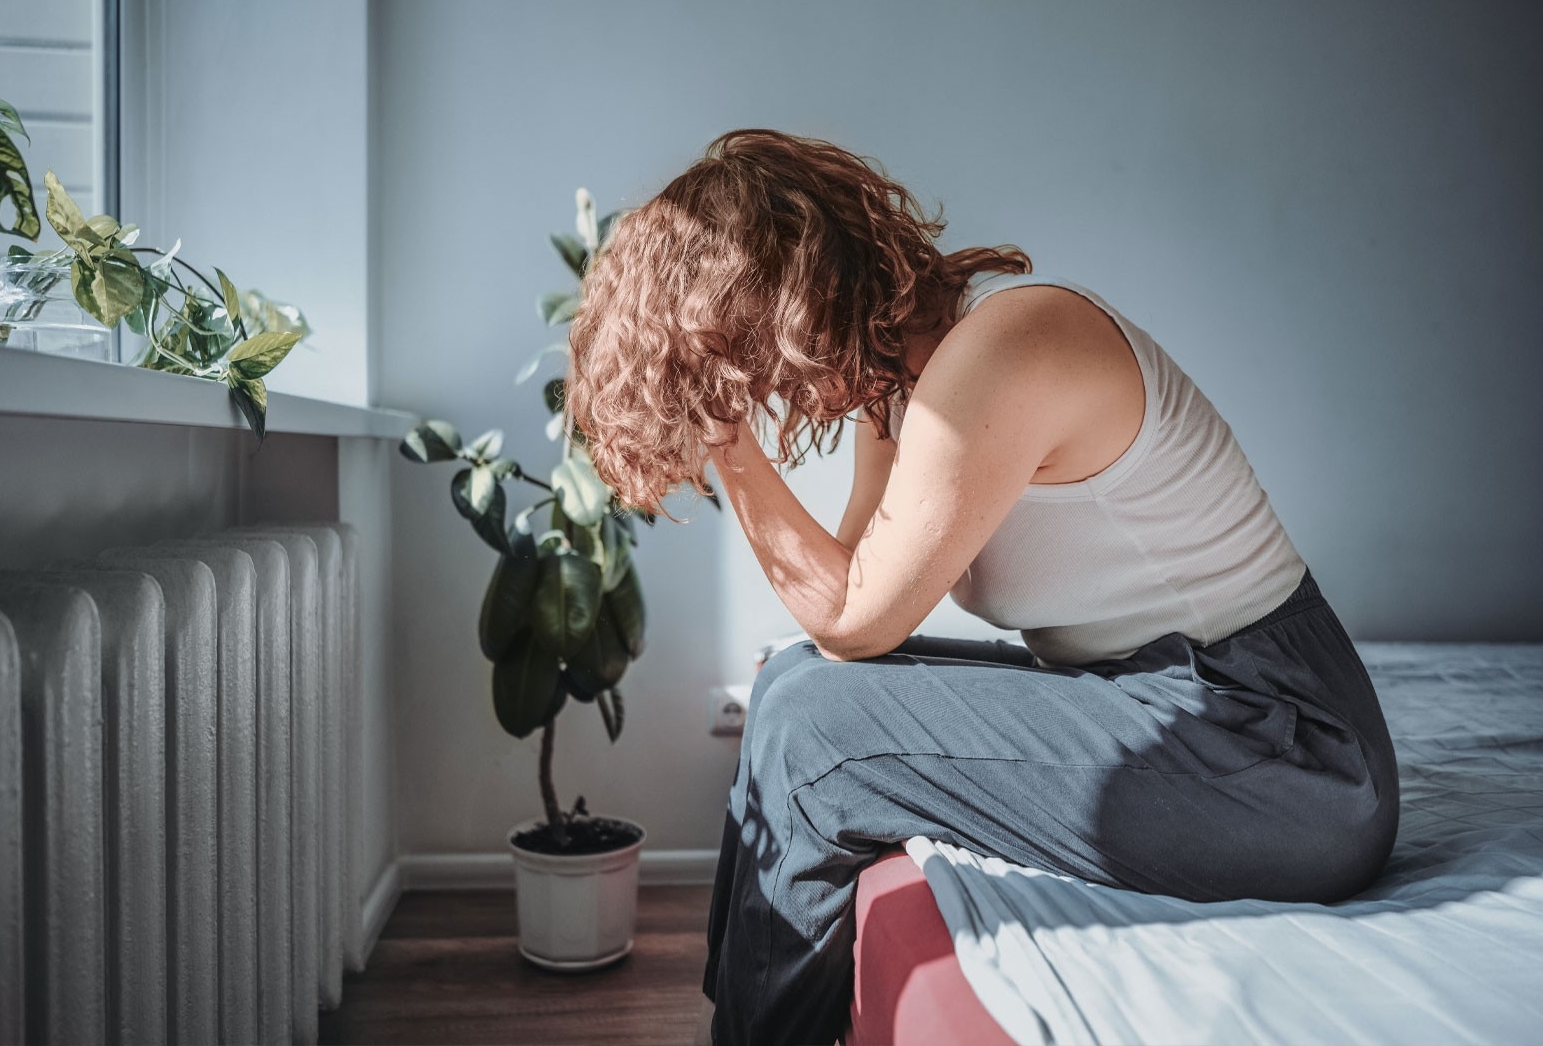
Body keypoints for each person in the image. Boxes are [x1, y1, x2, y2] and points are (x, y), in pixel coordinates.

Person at [565, 128, 1400, 1046]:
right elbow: (843, 605)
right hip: (1171, 704)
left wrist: (729, 448)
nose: (770, 390)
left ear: (790, 295)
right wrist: (730, 440)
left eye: (744, 354)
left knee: (815, 733)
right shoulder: (904, 381)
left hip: (1288, 752)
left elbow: (854, 618)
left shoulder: (1005, 344)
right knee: (789, 685)